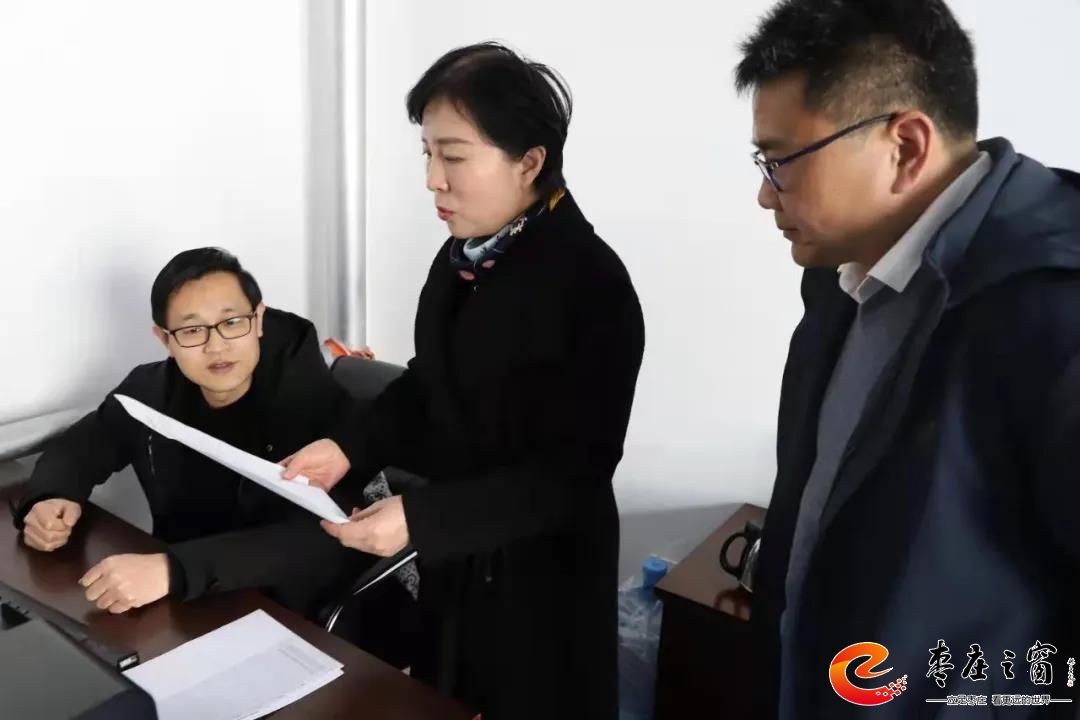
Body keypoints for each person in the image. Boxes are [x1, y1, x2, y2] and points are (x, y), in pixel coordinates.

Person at [734, 0, 1080, 716]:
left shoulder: (1053, 311)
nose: (766, 194)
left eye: (782, 161)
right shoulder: (840, 272)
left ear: (906, 147)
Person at [281, 42, 645, 720]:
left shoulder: (591, 283)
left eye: (452, 157)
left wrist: (422, 519)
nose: (431, 180)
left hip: (539, 579)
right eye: (427, 153)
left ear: (528, 162)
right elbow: (428, 386)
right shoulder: (464, 259)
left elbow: (572, 474)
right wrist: (348, 447)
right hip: (458, 560)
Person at [13, 248, 366, 621]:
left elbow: (326, 537)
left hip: (301, 612)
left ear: (258, 320)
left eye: (232, 322)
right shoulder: (150, 393)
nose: (216, 346)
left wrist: (175, 570)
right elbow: (81, 447)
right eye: (192, 330)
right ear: (165, 339)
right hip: (190, 603)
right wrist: (51, 496)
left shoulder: (315, 402)